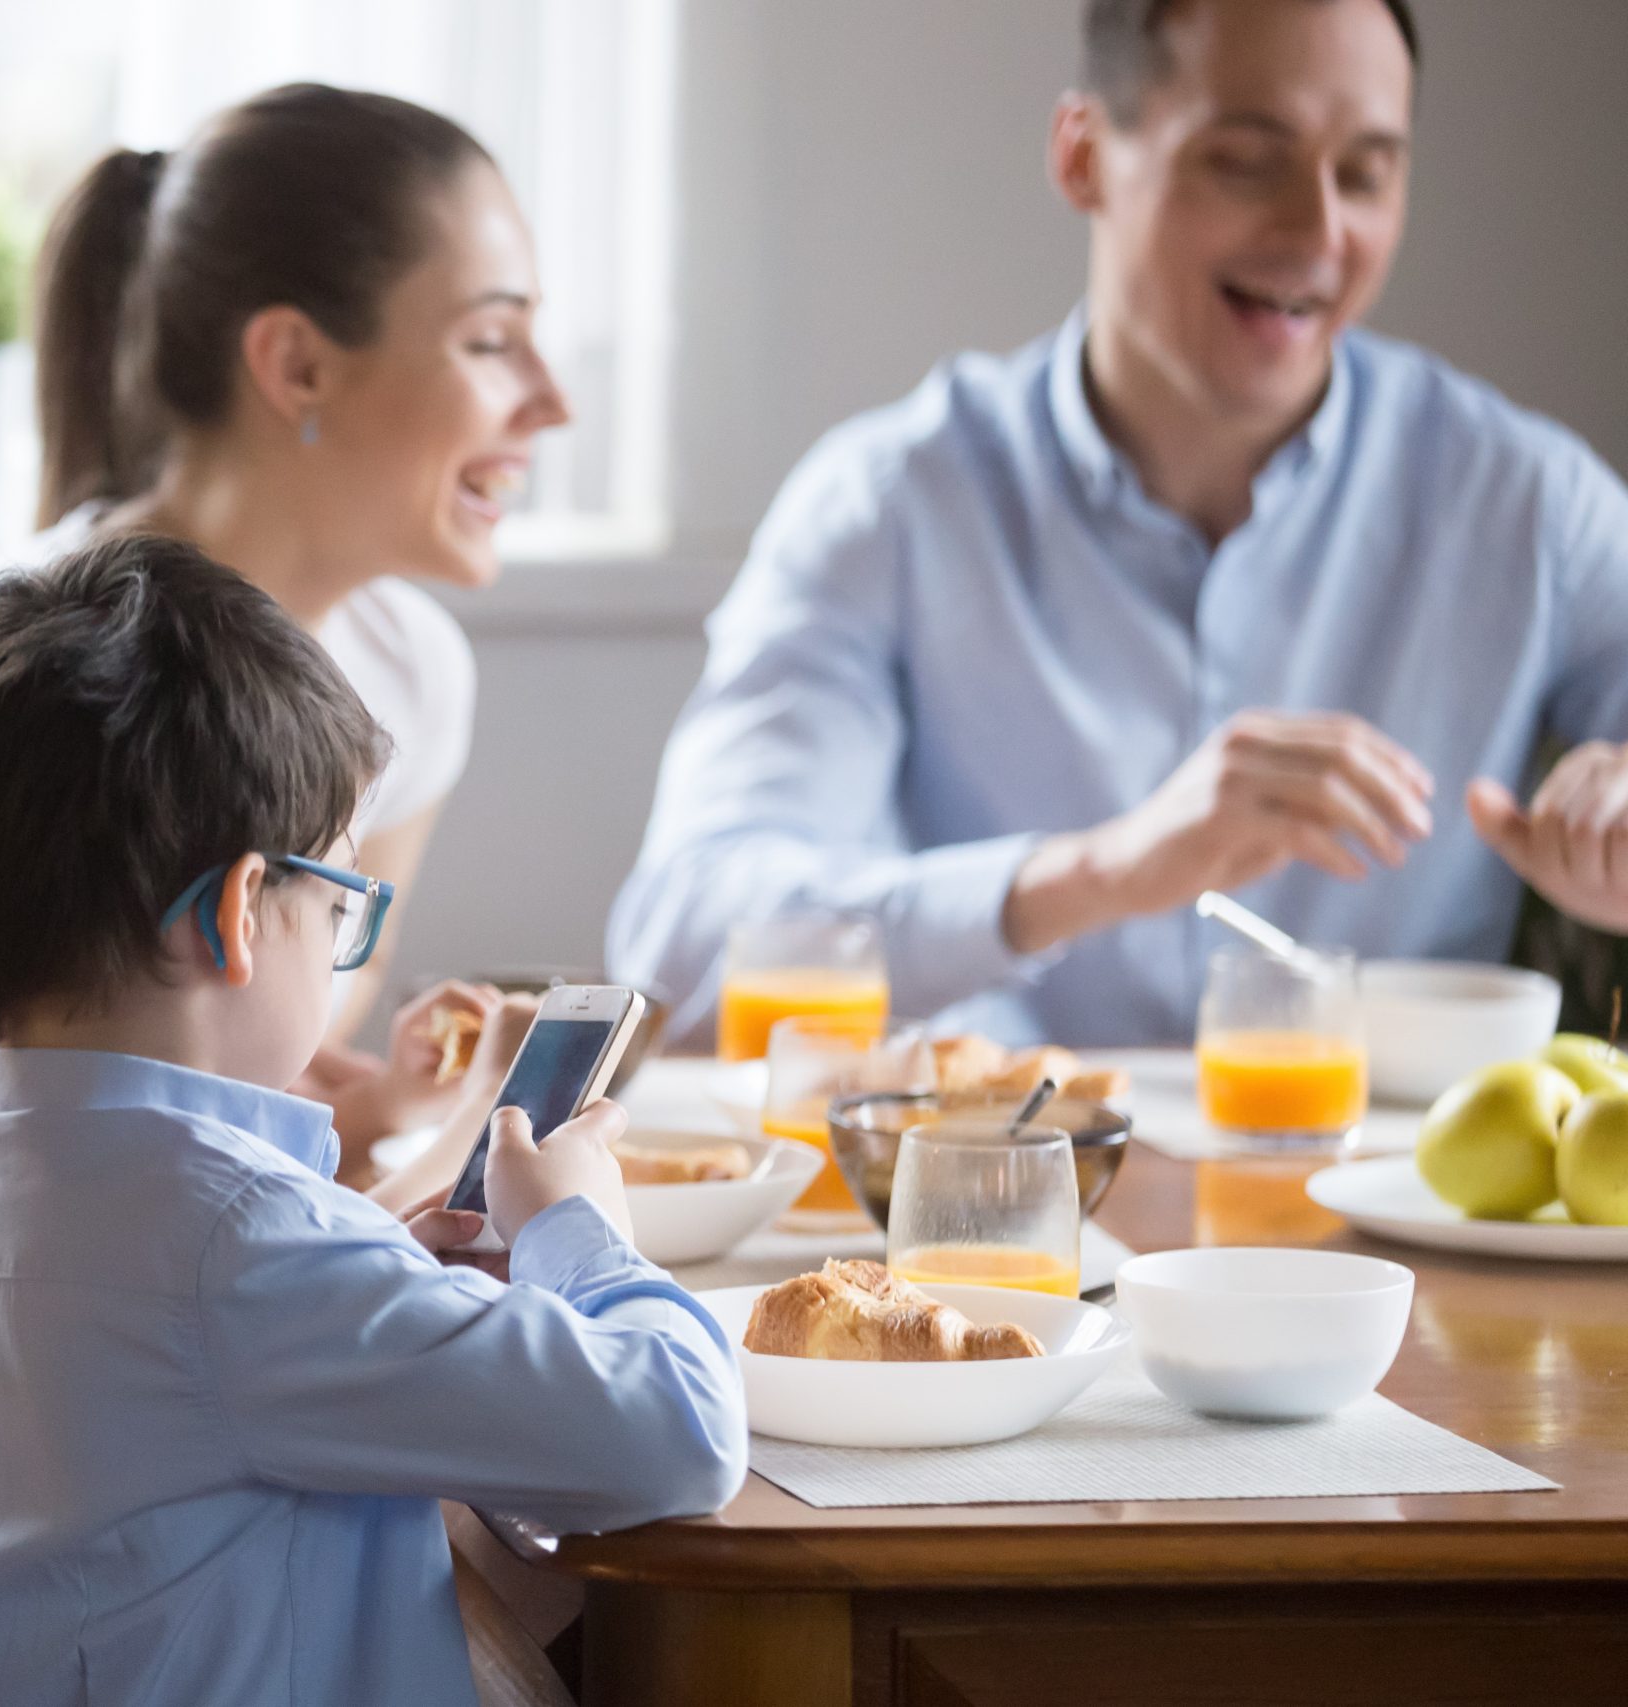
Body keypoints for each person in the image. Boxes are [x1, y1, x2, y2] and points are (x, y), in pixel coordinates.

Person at [0, 534, 747, 1706]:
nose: (342, 942)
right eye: (343, 903)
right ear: (242, 913)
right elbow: (674, 1437)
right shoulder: (238, 1247)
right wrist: (581, 1231)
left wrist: (375, 1280)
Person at [611, 0, 1628, 1047]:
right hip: (988, 1197)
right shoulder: (889, 505)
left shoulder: (1526, 503)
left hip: (1393, 1201)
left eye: (1364, 173)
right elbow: (679, 948)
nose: (1320, 232)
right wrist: (1094, 873)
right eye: (1245, 161)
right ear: (1084, 155)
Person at [0, 82, 571, 1157]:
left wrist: (386, 1118)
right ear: (297, 366)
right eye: (490, 341)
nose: (552, 400)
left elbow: (240, 1096)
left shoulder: (412, 673)